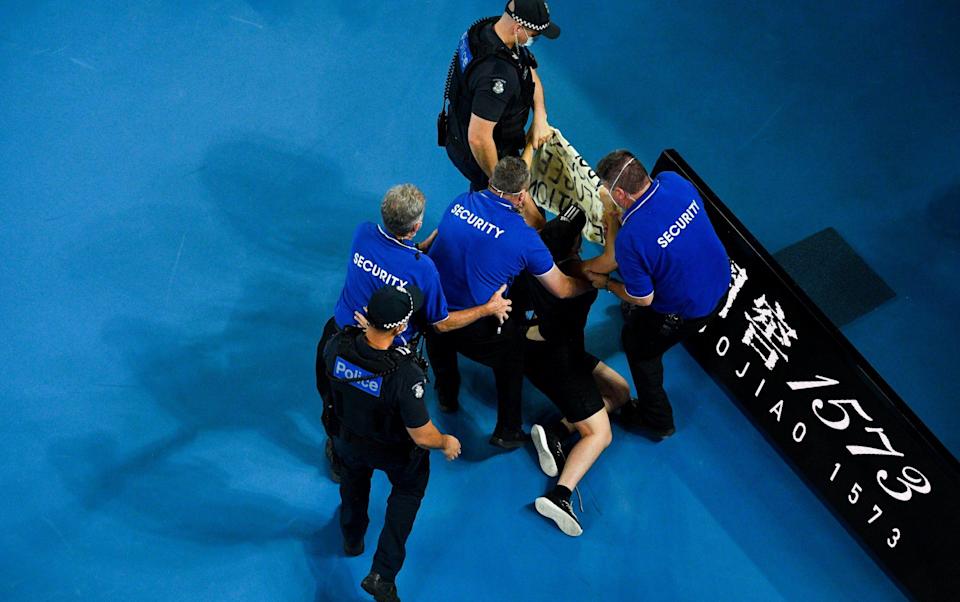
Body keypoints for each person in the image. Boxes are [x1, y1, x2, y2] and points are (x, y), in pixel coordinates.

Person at [317, 184, 510, 482]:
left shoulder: (363, 232)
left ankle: (339, 454)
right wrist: (488, 308)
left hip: (338, 339)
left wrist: (415, 250)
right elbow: (441, 323)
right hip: (385, 362)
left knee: (334, 399)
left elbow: (386, 260)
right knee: (382, 418)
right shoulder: (424, 272)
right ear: (417, 226)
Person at [426, 156, 592, 449]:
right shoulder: (524, 238)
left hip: (434, 305)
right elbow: (563, 289)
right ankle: (508, 430)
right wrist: (592, 283)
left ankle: (447, 395)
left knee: (439, 334)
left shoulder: (461, 202)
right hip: (476, 324)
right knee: (512, 353)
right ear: (523, 195)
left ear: (492, 182)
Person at [323, 284, 461, 602]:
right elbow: (421, 434)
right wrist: (445, 442)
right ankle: (382, 575)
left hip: (349, 439)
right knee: (407, 495)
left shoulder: (336, 345)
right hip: (395, 450)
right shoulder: (404, 375)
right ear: (400, 326)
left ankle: (352, 537)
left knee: (353, 485)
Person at [581, 150, 731, 439]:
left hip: (690, 308)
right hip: (721, 278)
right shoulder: (674, 181)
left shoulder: (631, 238)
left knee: (637, 345)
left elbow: (644, 298)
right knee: (645, 268)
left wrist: (606, 285)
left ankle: (657, 420)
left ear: (621, 195)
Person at [519, 205, 632, 536]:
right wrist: (611, 218)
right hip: (560, 361)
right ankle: (560, 495)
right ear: (575, 246)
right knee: (601, 434)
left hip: (535, 348)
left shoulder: (533, 264)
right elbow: (611, 258)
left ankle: (556, 431)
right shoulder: (579, 273)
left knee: (621, 392)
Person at [439, 0, 559, 227]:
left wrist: (540, 115)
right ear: (518, 28)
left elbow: (527, 70)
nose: (536, 40)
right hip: (483, 151)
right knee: (532, 222)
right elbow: (479, 138)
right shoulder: (497, 76)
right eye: (535, 34)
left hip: (472, 138)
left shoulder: (490, 30)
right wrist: (505, 188)